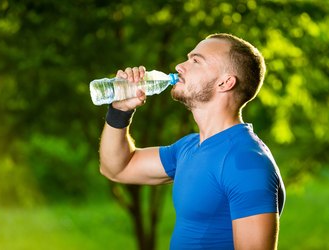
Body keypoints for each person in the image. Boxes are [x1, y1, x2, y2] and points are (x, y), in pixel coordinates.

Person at [98, 33, 285, 250]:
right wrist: (120, 111)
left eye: (196, 61)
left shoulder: (246, 162)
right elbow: (116, 168)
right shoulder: (188, 148)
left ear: (225, 82)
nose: (179, 66)